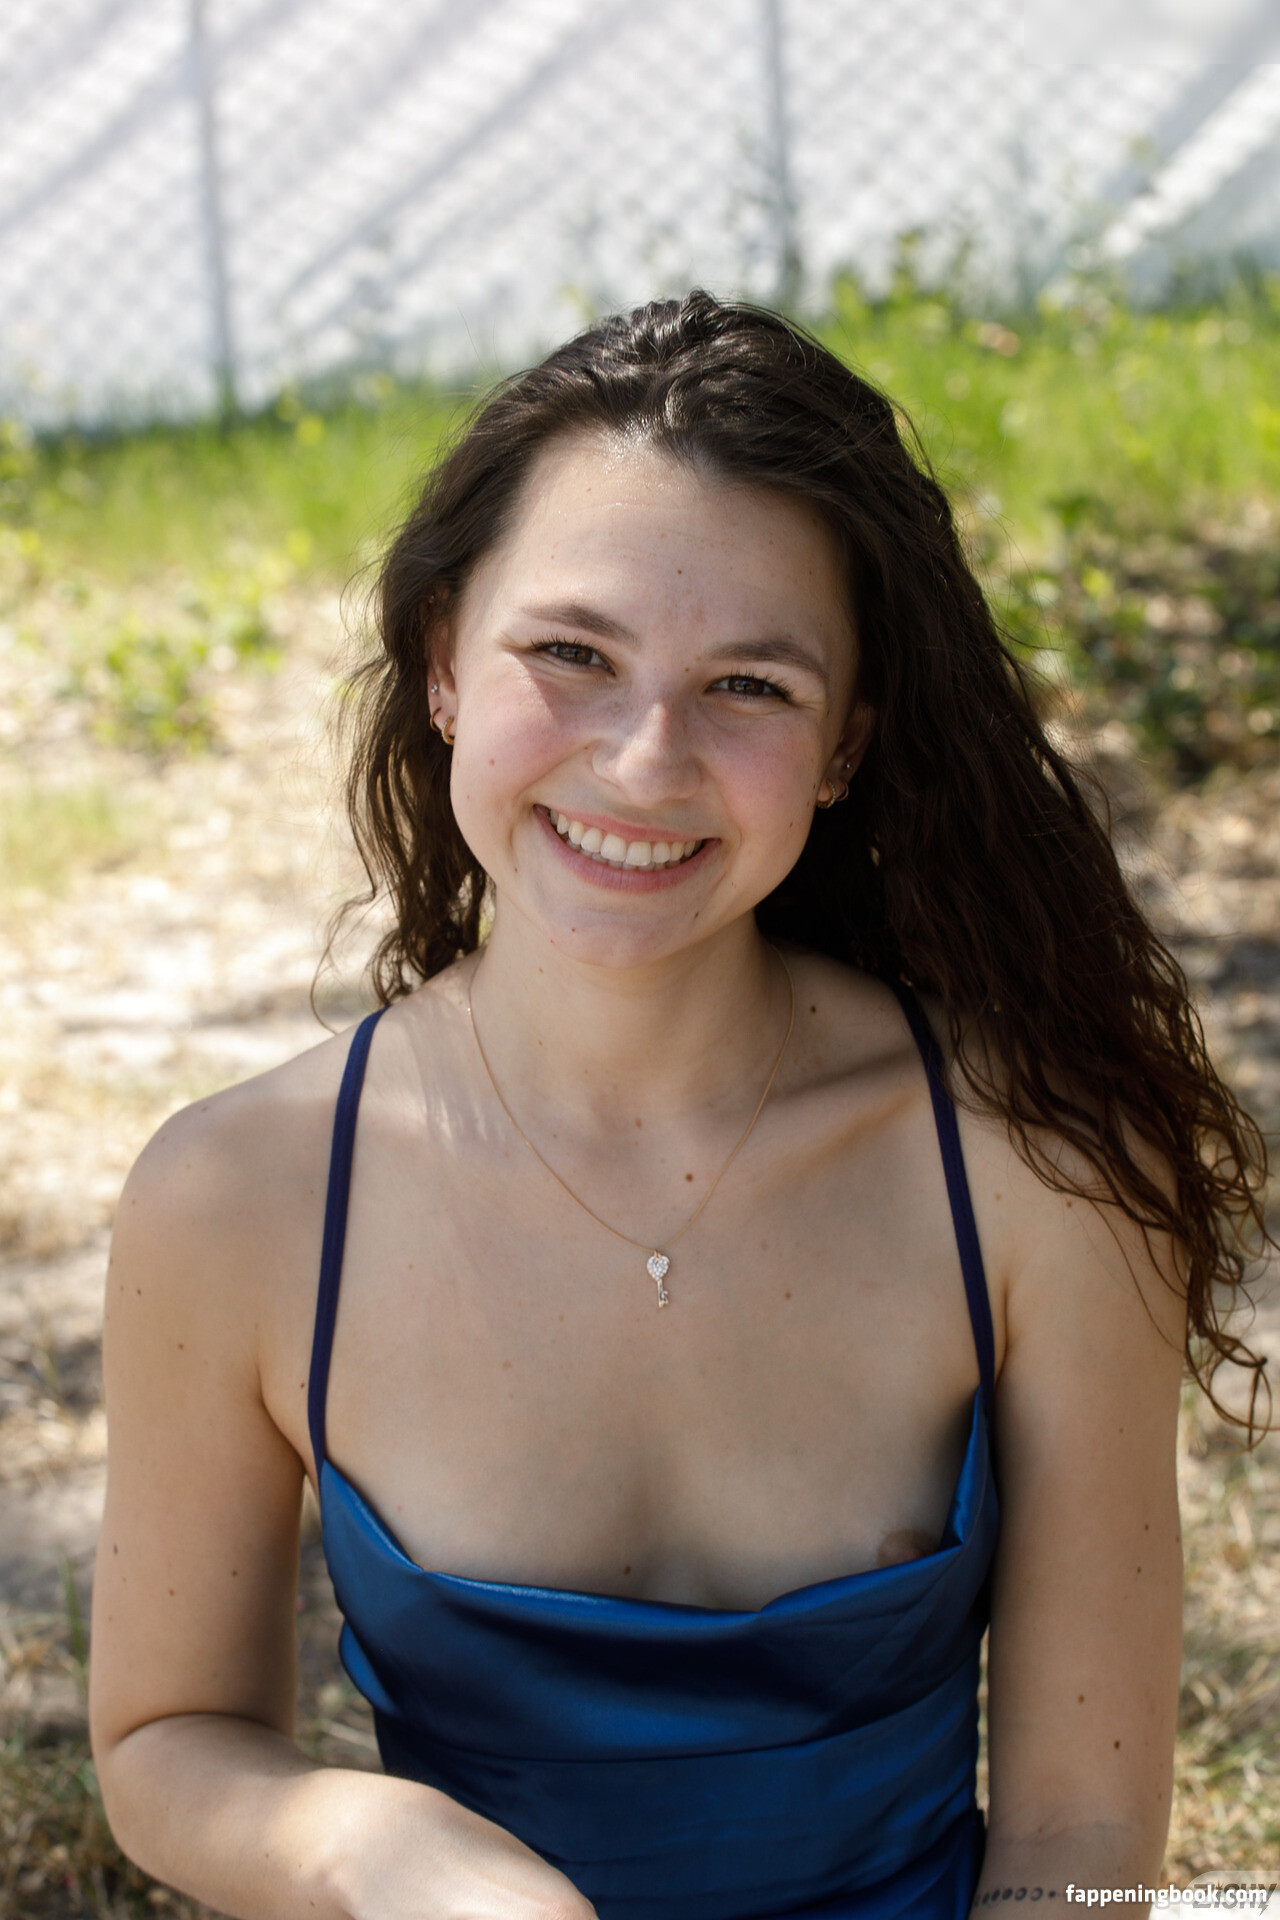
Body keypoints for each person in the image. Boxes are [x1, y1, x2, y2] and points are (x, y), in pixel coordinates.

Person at [89, 292, 1267, 1920]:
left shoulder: (1035, 1171)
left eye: (750, 687)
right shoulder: (237, 1199)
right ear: (442, 661)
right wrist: (369, 1846)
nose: (646, 762)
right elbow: (166, 1739)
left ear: (846, 744)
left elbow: (1083, 1847)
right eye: (572, 655)